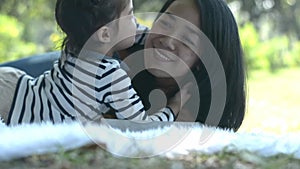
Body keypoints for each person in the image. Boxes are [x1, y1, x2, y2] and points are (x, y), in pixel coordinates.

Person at [1, 0, 246, 132]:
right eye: (167, 23)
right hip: (44, 81)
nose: (168, 40)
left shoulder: (197, 116)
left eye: (189, 39)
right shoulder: (119, 42)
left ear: (206, 63)